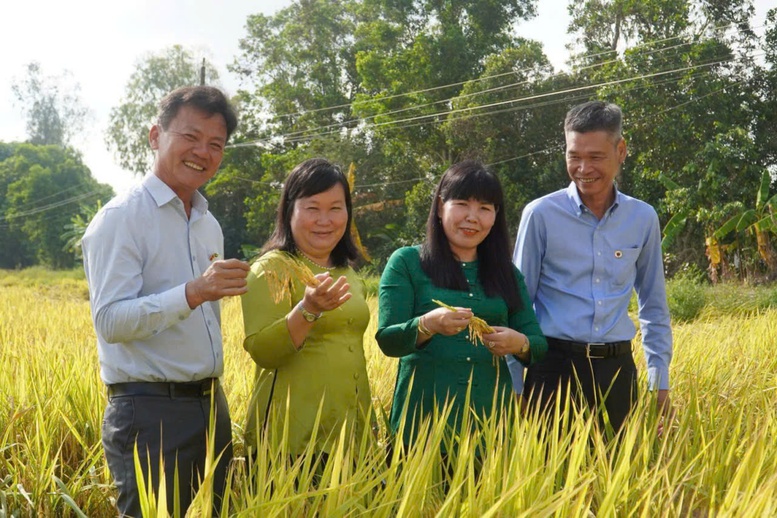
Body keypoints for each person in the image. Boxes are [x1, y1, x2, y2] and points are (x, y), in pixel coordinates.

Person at [82, 86, 249, 517]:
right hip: (149, 411)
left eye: (216, 144)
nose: (202, 152)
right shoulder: (121, 219)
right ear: (156, 135)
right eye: (190, 137)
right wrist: (195, 291)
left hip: (211, 405)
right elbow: (110, 321)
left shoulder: (209, 225)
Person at [510, 100, 673, 433]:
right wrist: (515, 385)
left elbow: (653, 306)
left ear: (621, 150)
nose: (584, 168)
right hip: (553, 369)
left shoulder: (642, 218)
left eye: (596, 157)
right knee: (550, 465)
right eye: (574, 156)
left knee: (621, 464)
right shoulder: (540, 215)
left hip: (617, 371)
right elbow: (517, 304)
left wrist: (659, 384)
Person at [376, 160, 547, 455]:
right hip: (421, 426)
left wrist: (519, 343)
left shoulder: (507, 274)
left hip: (491, 427)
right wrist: (427, 325)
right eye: (462, 204)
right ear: (440, 207)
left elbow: (538, 344)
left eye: (484, 208)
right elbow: (388, 340)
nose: (472, 217)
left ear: (495, 216)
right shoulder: (407, 262)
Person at [241, 158, 372, 462]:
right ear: (290, 211)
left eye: (335, 208)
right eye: (312, 208)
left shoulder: (348, 273)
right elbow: (263, 351)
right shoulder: (271, 269)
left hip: (350, 436)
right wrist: (308, 310)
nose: (325, 220)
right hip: (290, 441)